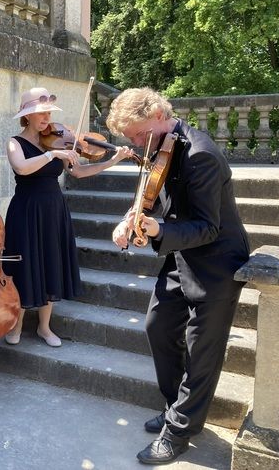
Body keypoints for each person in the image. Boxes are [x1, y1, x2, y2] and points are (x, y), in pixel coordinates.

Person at [107, 87, 250, 465]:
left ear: (157, 113)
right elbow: (148, 197)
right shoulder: (160, 146)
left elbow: (207, 226)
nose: (137, 144)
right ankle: (176, 408)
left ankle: (179, 433)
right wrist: (129, 219)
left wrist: (156, 231)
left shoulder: (201, 155)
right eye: (130, 138)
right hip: (181, 256)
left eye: (138, 134)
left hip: (217, 262)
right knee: (157, 326)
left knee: (202, 350)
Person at [3, 87, 133, 347]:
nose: (46, 118)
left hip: (53, 209)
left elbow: (79, 172)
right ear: (27, 116)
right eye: (41, 113)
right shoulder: (15, 143)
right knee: (24, 264)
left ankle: (44, 327)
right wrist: (52, 154)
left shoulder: (57, 139)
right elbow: (21, 167)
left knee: (50, 262)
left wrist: (113, 160)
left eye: (48, 113)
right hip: (27, 210)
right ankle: (15, 324)